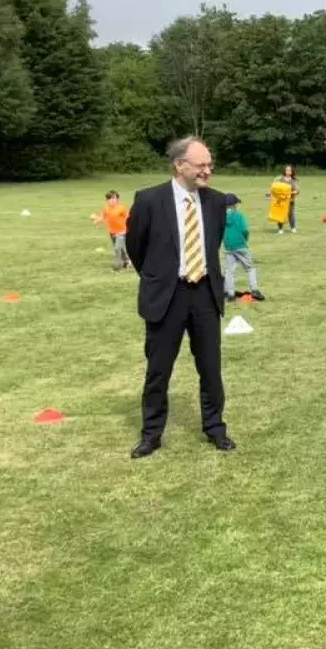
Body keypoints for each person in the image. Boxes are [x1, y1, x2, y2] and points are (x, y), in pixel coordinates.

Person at [124, 136, 234, 458]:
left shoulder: (215, 202)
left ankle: (215, 429)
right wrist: (158, 277)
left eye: (210, 165)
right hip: (166, 296)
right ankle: (151, 434)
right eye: (201, 165)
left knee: (211, 369)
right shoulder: (148, 200)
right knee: (158, 370)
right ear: (180, 165)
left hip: (204, 295)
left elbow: (212, 246)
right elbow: (136, 248)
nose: (207, 171)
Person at [223, 193, 265, 302]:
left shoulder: (221, 216)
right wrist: (244, 239)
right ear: (234, 205)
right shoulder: (239, 215)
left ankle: (230, 294)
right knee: (250, 268)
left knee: (229, 270)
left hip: (228, 247)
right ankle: (254, 289)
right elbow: (245, 230)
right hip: (241, 245)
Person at [93, 190, 131, 271]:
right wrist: (97, 220)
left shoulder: (122, 208)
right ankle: (127, 261)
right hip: (112, 232)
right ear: (107, 200)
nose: (112, 200)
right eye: (110, 198)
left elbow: (129, 218)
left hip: (122, 231)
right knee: (119, 248)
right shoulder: (105, 208)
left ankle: (118, 265)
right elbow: (102, 217)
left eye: (114, 198)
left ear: (117, 199)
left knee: (118, 248)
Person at [267, 169, 295, 234]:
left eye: (290, 170)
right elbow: (273, 187)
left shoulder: (293, 181)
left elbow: (297, 190)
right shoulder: (279, 179)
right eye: (287, 170)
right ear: (284, 171)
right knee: (280, 214)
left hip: (290, 200)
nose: (288, 172)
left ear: (292, 172)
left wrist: (292, 193)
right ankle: (280, 229)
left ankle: (293, 228)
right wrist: (269, 194)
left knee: (291, 214)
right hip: (280, 200)